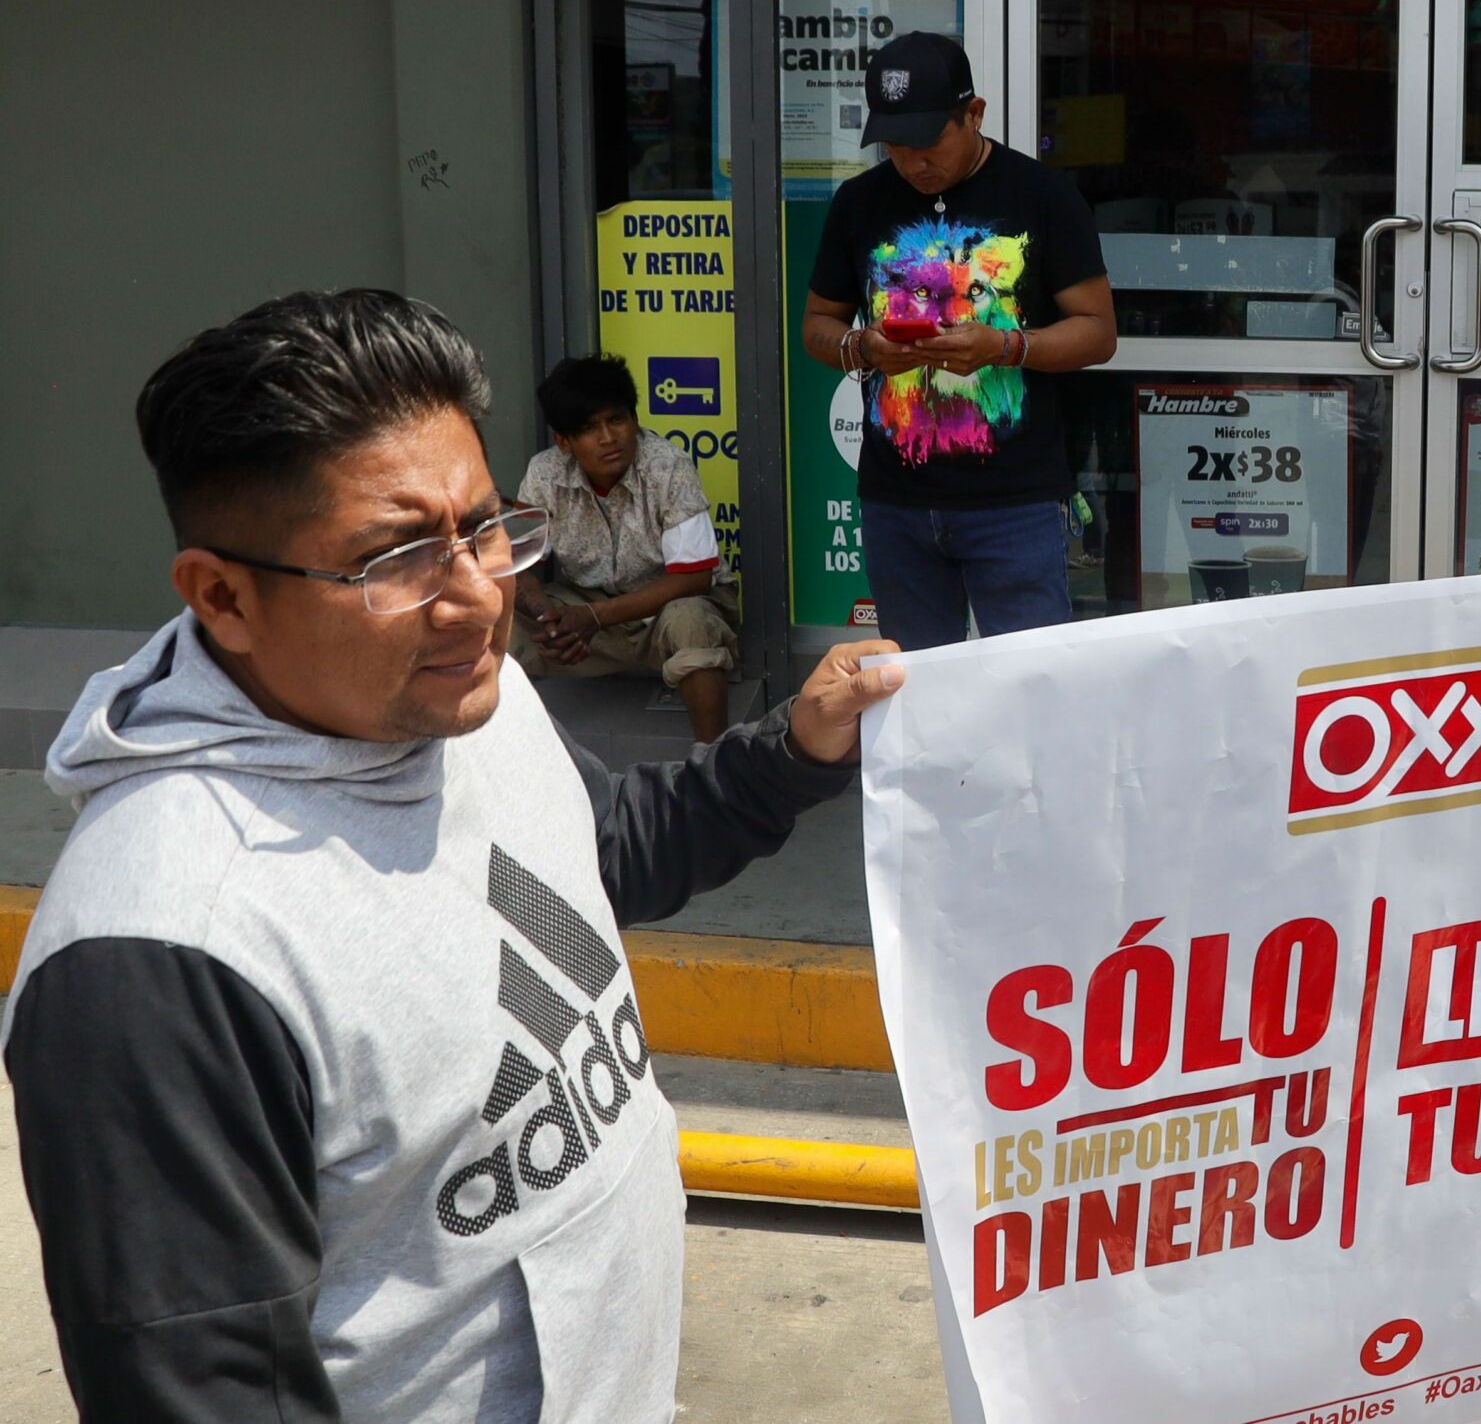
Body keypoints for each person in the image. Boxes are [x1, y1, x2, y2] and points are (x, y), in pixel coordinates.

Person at [4, 290, 905, 1422]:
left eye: (485, 528)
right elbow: (207, 1391)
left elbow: (604, 853)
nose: (477, 598)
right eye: (396, 558)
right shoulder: (162, 956)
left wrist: (797, 747)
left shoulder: (467, 700)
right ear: (223, 597)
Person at [800, 30, 1117, 650]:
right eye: (895, 145)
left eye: (927, 142)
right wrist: (864, 350)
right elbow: (816, 325)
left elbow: (1099, 333)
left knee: (1030, 679)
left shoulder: (1043, 195)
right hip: (896, 501)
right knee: (914, 685)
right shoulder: (859, 202)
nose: (912, 162)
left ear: (974, 114)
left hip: (1015, 501)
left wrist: (1005, 347)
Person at [514, 353, 739, 743]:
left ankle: (715, 760)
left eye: (616, 420)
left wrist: (593, 617)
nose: (608, 438)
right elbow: (517, 563)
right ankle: (511, 761)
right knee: (493, 624)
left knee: (692, 621)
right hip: (586, 613)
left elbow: (694, 578)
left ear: (634, 420)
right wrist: (549, 619)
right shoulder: (544, 473)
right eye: (589, 428)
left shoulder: (667, 466)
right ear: (563, 441)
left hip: (664, 613)